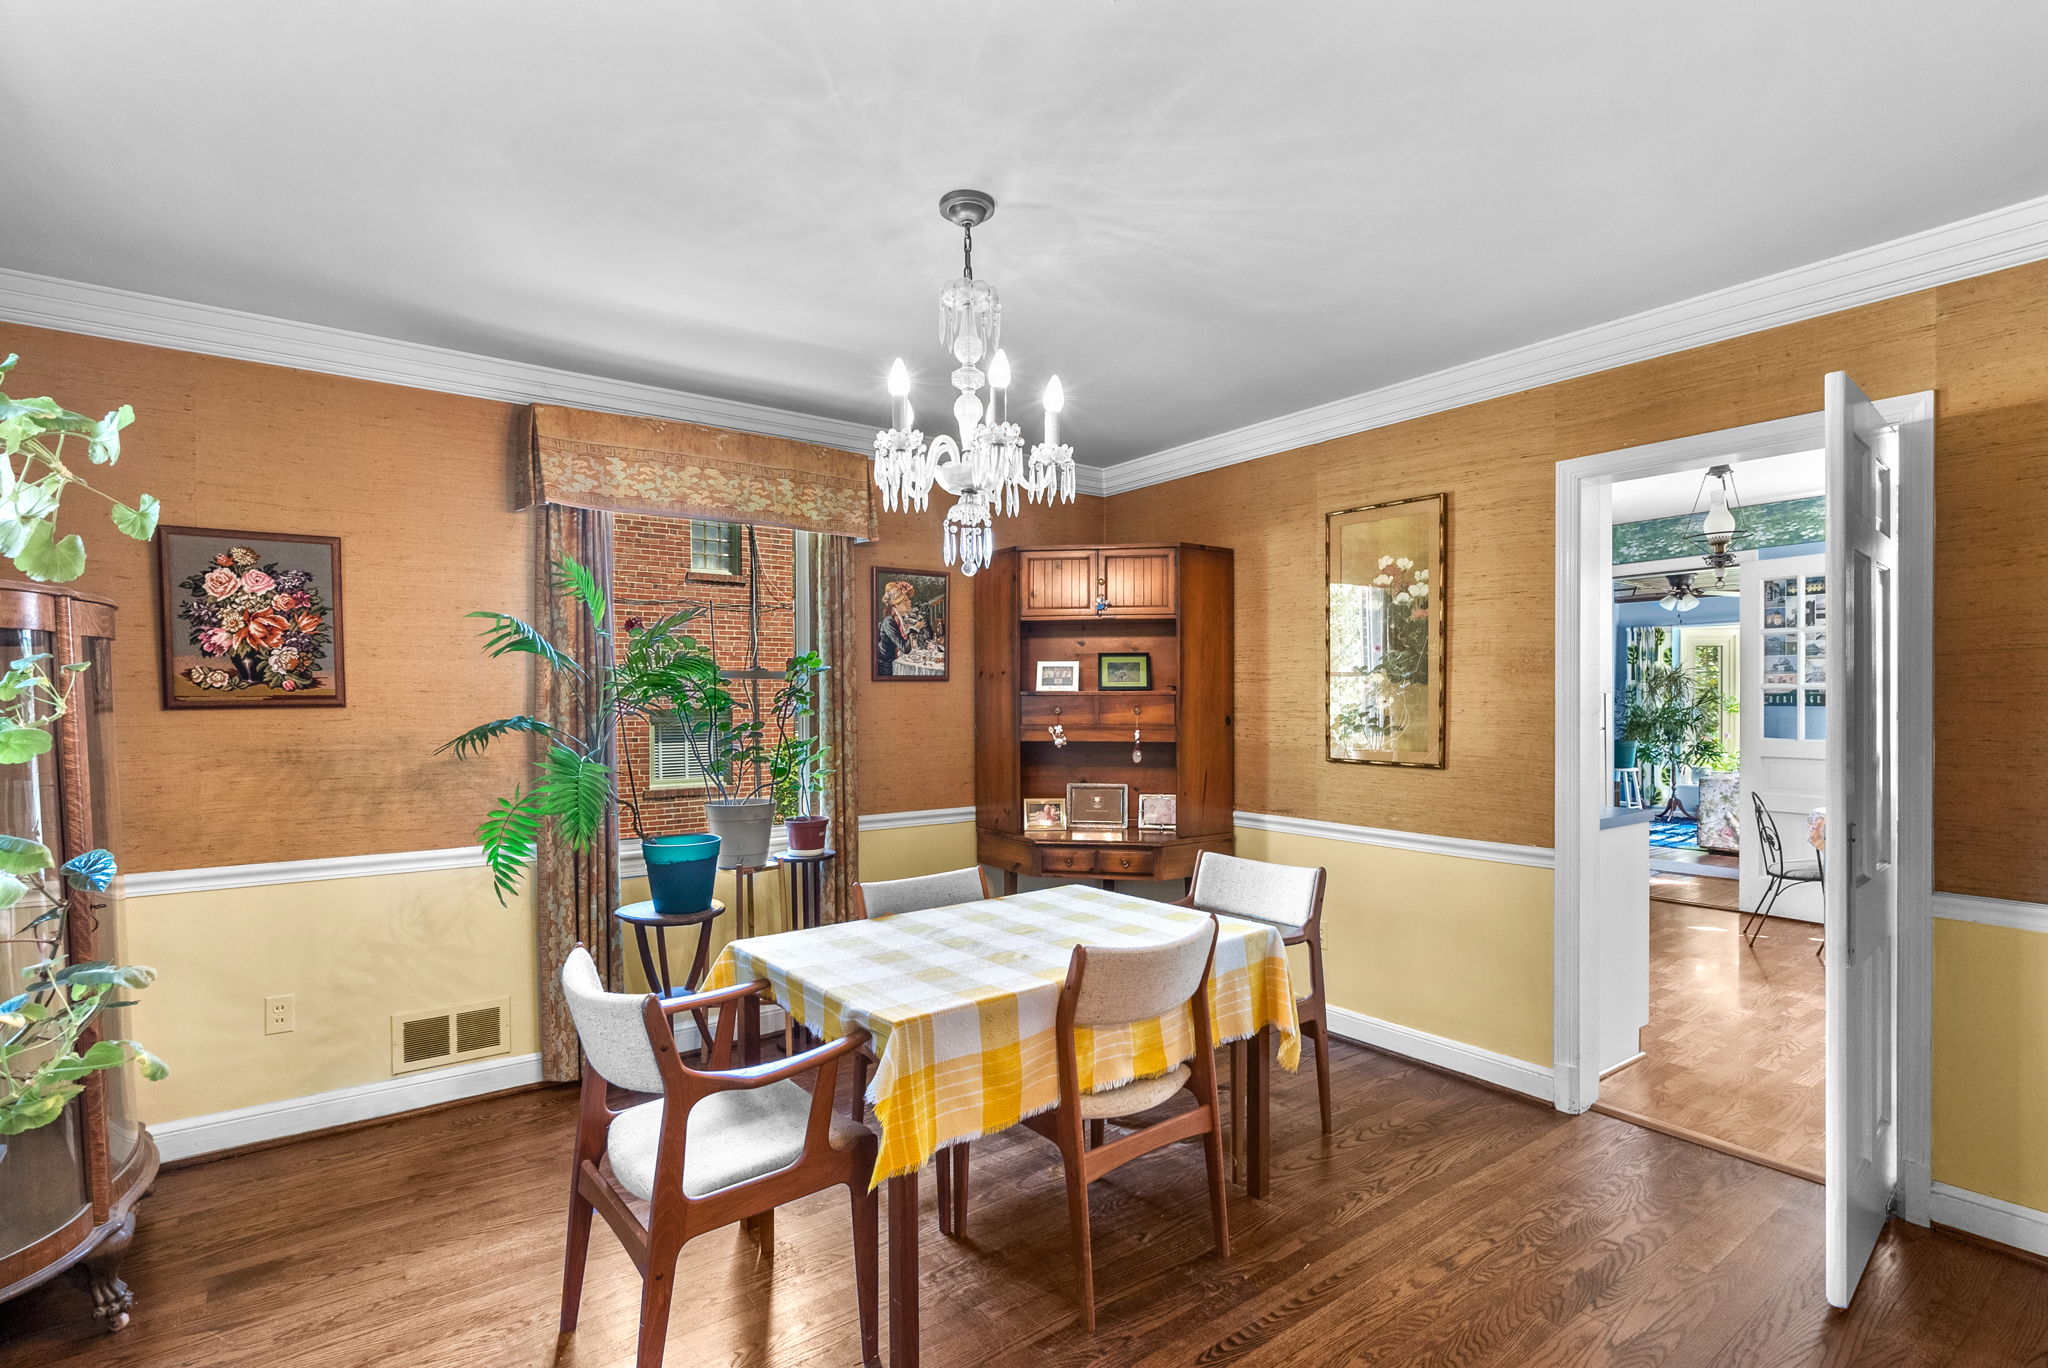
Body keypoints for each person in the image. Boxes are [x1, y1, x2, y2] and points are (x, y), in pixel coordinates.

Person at [877, 579, 936, 674]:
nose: (909, 602)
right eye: (905, 600)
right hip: (887, 669)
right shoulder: (889, 622)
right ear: (896, 604)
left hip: (900, 662)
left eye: (908, 599)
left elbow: (926, 640)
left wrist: (924, 622)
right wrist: (915, 628)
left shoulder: (904, 619)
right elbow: (905, 648)